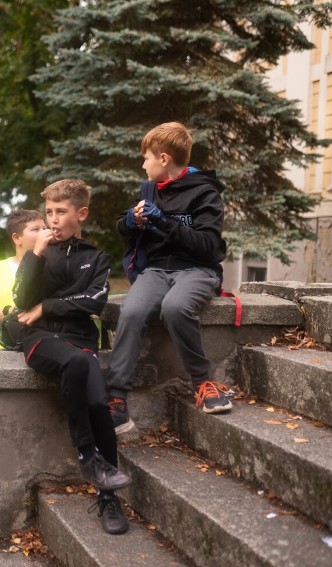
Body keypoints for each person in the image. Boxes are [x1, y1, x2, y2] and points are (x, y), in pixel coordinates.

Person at [13, 179, 131, 535]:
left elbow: (93, 302)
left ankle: (109, 497)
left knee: (99, 405)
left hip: (80, 341)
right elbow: (20, 300)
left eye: (60, 212)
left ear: (80, 214)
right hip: (39, 340)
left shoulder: (95, 258)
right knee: (78, 363)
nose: (53, 219)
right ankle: (86, 456)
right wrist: (36, 255)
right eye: (48, 212)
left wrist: (47, 305)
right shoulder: (38, 254)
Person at [107, 122, 229, 435]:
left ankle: (204, 383)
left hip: (197, 269)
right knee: (131, 312)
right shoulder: (149, 190)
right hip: (157, 269)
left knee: (174, 308)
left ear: (163, 159)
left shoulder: (206, 193)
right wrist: (132, 221)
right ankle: (117, 400)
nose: (142, 164)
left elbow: (209, 247)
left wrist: (166, 225)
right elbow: (121, 227)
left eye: (145, 157)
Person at [0, 209, 45, 350]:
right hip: (0, 352)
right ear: (17, 238)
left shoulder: (55, 267)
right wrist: (9, 311)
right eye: (36, 229)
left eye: (45, 228)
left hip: (43, 346)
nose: (44, 233)